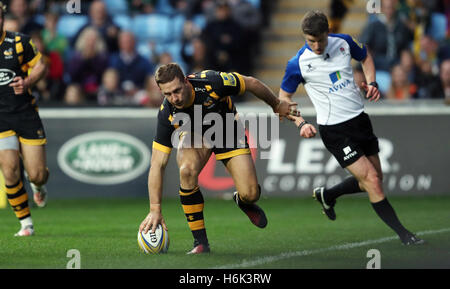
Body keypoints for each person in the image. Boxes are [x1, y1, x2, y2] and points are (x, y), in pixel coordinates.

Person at [279, 11, 424, 245]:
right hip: (334, 130)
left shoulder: (344, 42)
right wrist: (300, 122)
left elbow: (365, 57)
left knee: (377, 177)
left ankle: (328, 194)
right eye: (310, 41)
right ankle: (405, 235)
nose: (316, 46)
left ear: (329, 32)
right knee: (372, 182)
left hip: (359, 120)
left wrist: (373, 82)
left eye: (320, 40)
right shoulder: (298, 63)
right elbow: (283, 99)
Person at [139, 63, 298, 254]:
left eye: (177, 90)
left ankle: (243, 201)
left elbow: (251, 83)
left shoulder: (211, 82)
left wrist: (276, 104)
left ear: (186, 81)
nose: (175, 98)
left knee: (251, 194)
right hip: (194, 136)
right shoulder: (167, 112)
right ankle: (200, 242)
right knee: (186, 169)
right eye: (168, 94)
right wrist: (155, 208)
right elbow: (157, 164)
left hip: (227, 130)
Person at [0, 2, 49, 236]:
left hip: (25, 113)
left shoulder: (20, 42)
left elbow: (41, 66)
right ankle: (25, 223)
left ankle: (38, 185)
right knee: (9, 169)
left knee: (37, 172)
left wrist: (27, 81)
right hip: (1, 119)